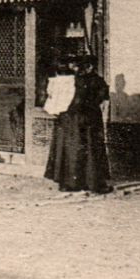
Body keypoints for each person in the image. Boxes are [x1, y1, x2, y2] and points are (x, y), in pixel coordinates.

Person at [45, 54, 112, 194]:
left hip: (68, 119)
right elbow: (102, 98)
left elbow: (55, 98)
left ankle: (67, 183)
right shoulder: (97, 81)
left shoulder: (69, 81)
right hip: (88, 119)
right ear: (92, 66)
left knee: (68, 149)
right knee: (90, 148)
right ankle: (93, 183)